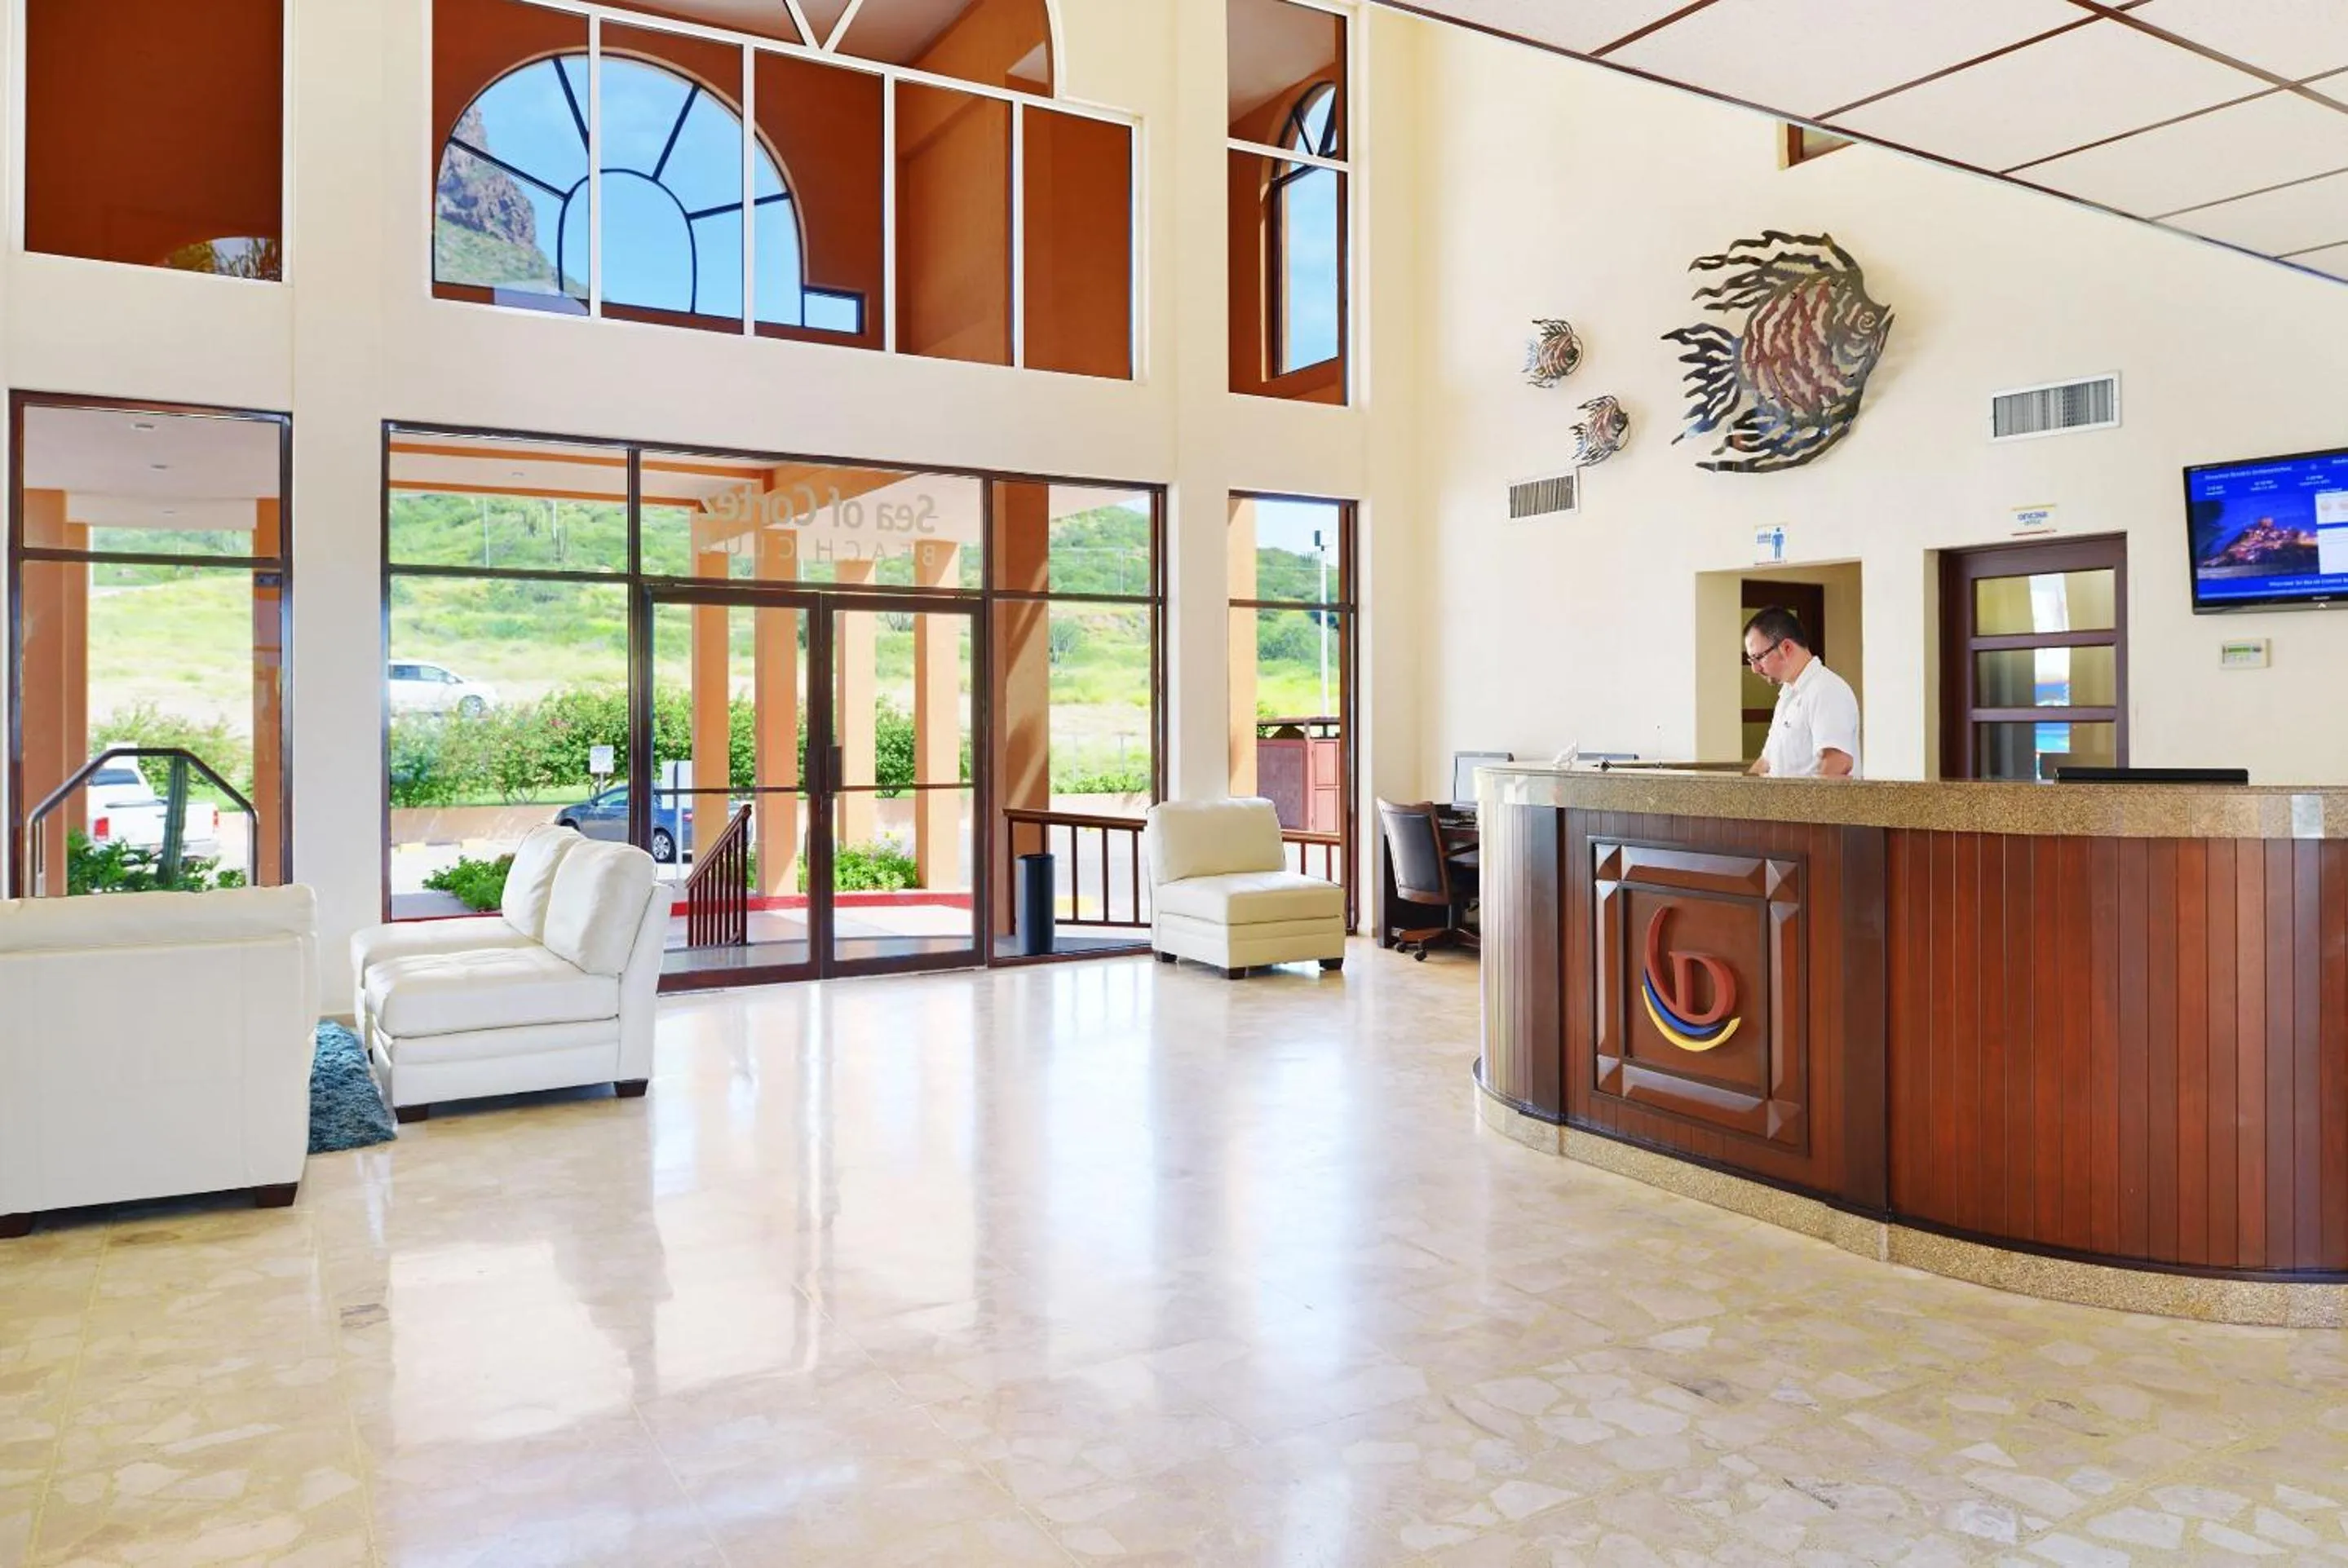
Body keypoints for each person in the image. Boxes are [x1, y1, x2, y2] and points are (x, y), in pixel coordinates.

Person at [1743, 606, 1860, 779]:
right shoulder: (1788, 694)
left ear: (1787, 648)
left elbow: (1838, 763)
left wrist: (1807, 806)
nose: (1754, 669)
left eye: (1758, 658)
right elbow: (1766, 762)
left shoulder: (1826, 690)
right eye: (1751, 660)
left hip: (1811, 806)